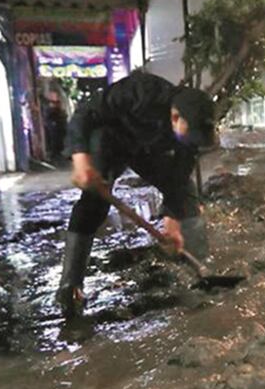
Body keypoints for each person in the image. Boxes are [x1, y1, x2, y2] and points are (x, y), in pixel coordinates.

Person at [56, 71, 215, 318]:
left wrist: (172, 226)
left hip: (149, 151)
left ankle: (200, 273)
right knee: (94, 203)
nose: (191, 143)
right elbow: (85, 113)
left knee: (186, 198)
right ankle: (70, 285)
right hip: (111, 140)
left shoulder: (187, 137)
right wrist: (81, 160)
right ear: (175, 117)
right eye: (189, 135)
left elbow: (178, 180)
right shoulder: (142, 90)